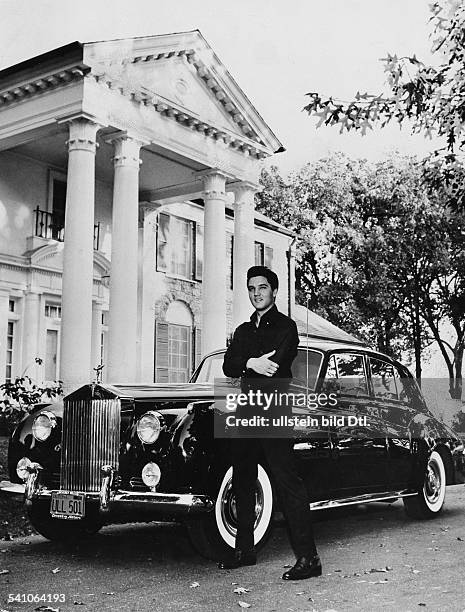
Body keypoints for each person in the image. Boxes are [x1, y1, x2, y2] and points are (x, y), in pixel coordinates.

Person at [219, 265, 321, 581]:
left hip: (275, 407)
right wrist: (250, 361)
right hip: (245, 407)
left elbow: (274, 367)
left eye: (262, 288)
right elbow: (228, 366)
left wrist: (247, 363)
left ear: (274, 291)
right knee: (243, 479)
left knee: (287, 480)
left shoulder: (287, 327)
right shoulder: (242, 330)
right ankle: (244, 551)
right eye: (251, 288)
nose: (256, 293)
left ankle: (309, 558)